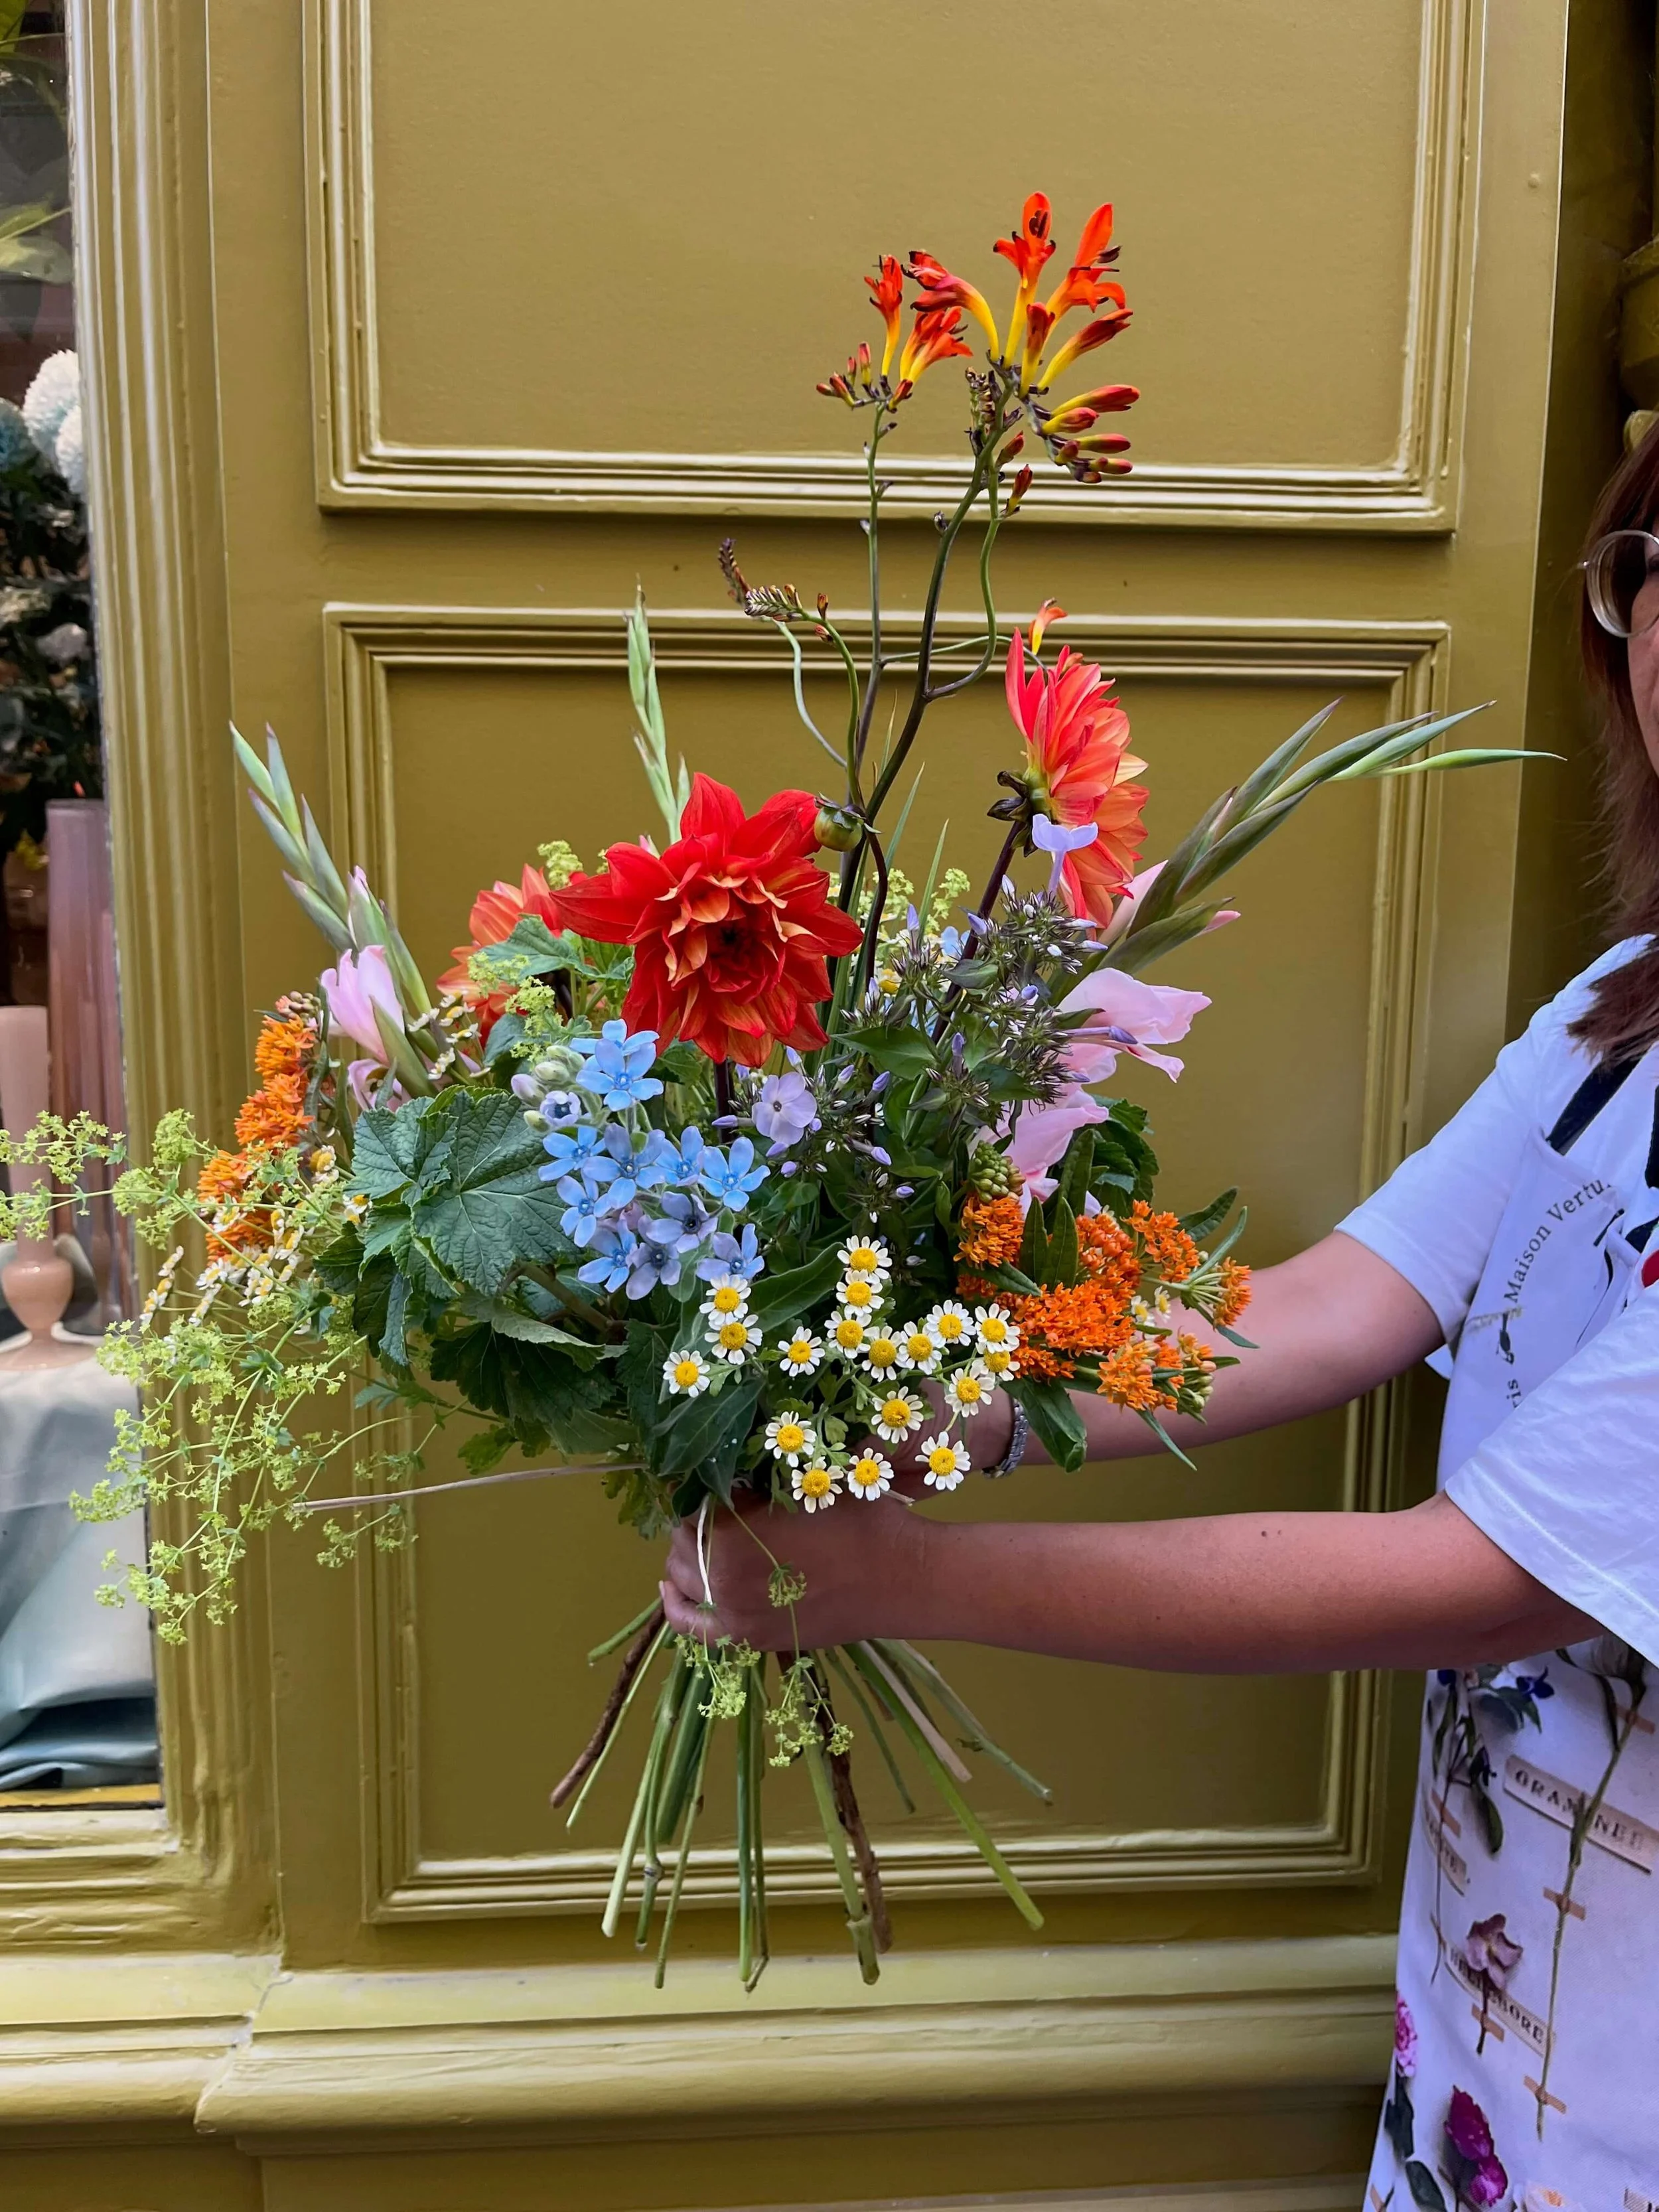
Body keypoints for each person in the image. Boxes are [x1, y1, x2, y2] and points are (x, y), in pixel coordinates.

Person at [661, 427, 1659, 2203]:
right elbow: (1330, 1304)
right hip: (1499, 2015)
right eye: (1654, 573)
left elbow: (1475, 1576)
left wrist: (894, 1578)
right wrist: (940, 1400)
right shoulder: (1621, 1014)